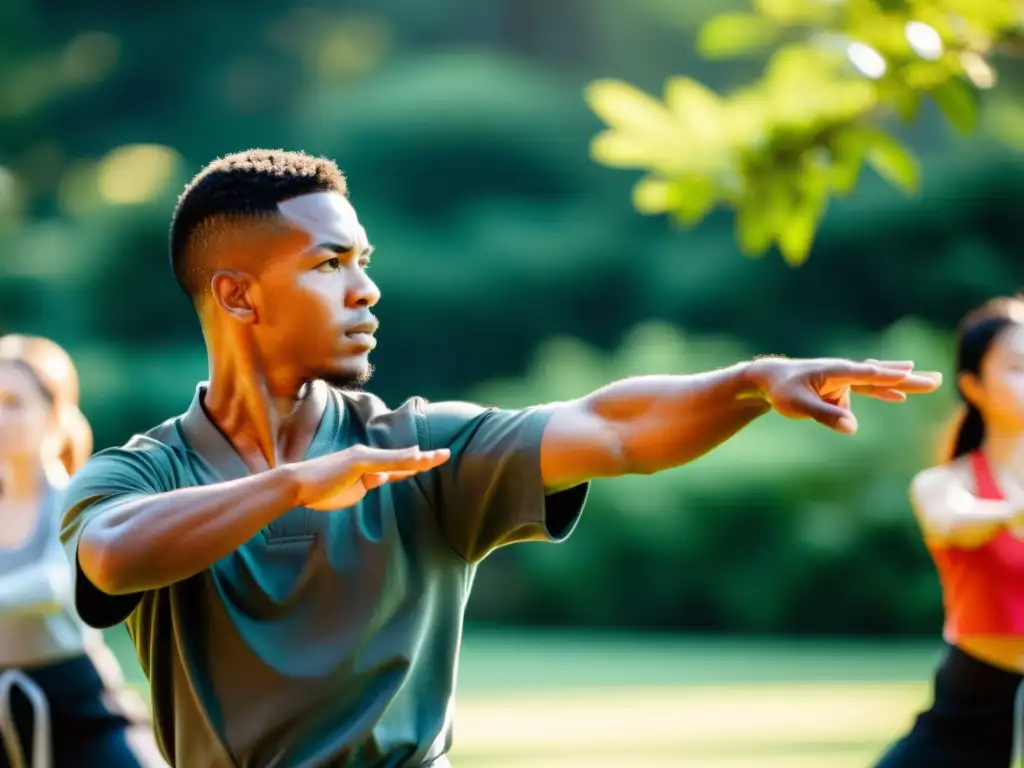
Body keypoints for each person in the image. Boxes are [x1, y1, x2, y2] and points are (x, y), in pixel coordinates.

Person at [59, 149, 941, 768]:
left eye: (364, 260)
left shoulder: (417, 450)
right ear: (238, 295)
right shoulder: (140, 476)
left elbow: (614, 428)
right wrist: (292, 486)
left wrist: (748, 383)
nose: (366, 288)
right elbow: (110, 555)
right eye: (331, 264)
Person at [0, 334, 166, 768]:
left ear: (54, 414)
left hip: (78, 704)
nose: (0, 417)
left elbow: (56, 584)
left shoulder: (80, 499)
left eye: (13, 403)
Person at [875, 297, 1024, 768]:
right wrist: (1012, 510)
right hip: (970, 707)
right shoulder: (943, 484)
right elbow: (952, 521)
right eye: (1018, 367)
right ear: (973, 386)